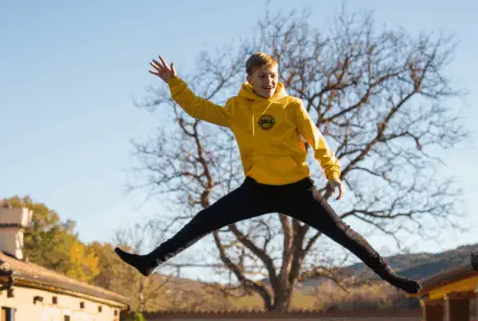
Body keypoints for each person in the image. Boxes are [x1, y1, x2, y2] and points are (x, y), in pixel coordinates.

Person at [114, 53, 421, 295]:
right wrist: (174, 83)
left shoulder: (292, 106)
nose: (269, 81)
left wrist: (333, 173)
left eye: (273, 75)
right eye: (263, 76)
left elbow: (317, 141)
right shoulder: (237, 108)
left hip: (297, 189)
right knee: (204, 221)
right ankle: (150, 262)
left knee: (344, 234)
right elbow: (198, 108)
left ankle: (392, 277)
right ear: (249, 78)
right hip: (258, 189)